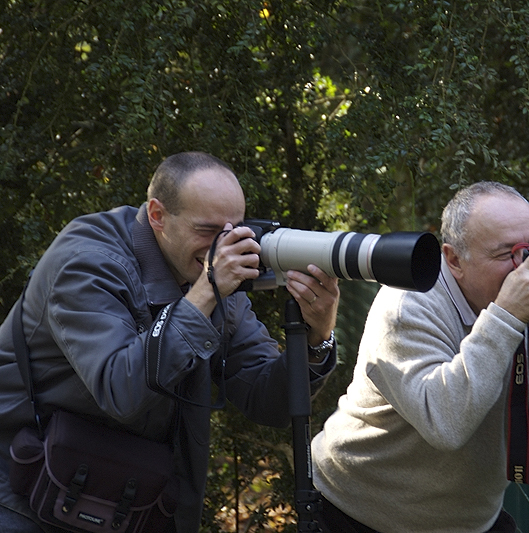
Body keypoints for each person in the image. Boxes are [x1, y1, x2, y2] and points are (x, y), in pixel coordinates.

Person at [0, 152, 340, 532]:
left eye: (235, 230)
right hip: (22, 489)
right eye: (208, 231)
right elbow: (122, 392)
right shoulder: (86, 262)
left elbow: (267, 401)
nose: (224, 246)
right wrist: (204, 294)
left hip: (125, 495)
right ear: (158, 216)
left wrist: (315, 335)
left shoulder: (208, 274)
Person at [310, 181, 529, 533]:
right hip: (358, 513)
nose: (526, 267)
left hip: (468, 521)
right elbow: (445, 424)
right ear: (454, 259)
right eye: (506, 255)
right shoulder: (407, 302)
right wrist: (507, 317)